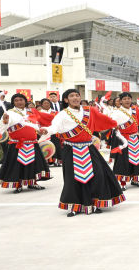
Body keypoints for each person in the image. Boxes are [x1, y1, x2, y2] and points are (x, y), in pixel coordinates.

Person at [46, 89, 127, 217]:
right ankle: (75, 206)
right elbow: (54, 127)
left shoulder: (89, 111)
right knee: (72, 179)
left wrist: (113, 123)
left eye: (77, 95)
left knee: (98, 174)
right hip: (70, 149)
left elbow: (102, 119)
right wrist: (45, 131)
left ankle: (95, 203)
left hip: (89, 148)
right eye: (71, 96)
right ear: (66, 100)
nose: (75, 98)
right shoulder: (62, 114)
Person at [0, 93, 52, 193]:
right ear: (13, 103)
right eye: (16, 100)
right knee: (17, 165)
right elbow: (1, 126)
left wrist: (40, 131)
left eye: (21, 100)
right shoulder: (10, 113)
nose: (19, 102)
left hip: (32, 143)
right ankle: (18, 184)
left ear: (25, 101)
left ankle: (32, 182)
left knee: (33, 164)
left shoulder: (31, 112)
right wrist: (5, 121)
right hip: (17, 144)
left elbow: (36, 126)